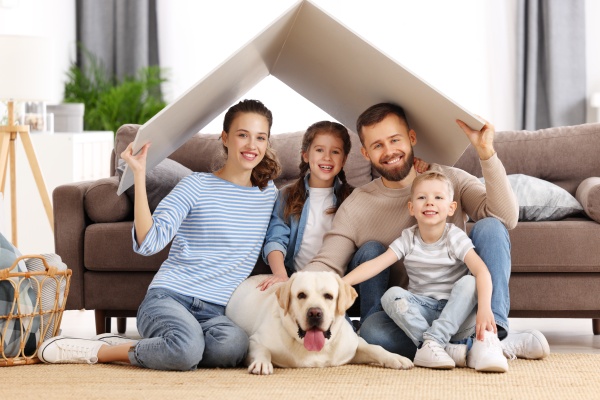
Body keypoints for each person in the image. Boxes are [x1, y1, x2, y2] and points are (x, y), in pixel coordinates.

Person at [302, 102, 550, 370]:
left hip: (459, 304)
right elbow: (328, 262)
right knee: (372, 330)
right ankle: (467, 349)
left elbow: (506, 217)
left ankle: (491, 335)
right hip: (408, 313)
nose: (389, 151)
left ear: (411, 138)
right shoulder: (357, 204)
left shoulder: (448, 181)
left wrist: (486, 153)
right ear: (365, 153)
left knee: (491, 226)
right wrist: (291, 287)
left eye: (395, 140)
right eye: (377, 145)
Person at [38, 99, 282, 370]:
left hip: (216, 311)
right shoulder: (196, 185)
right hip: (169, 297)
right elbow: (149, 241)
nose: (252, 145)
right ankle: (102, 350)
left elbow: (281, 234)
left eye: (260, 137)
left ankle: (177, 345)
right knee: (186, 351)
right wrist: (139, 175)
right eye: (242, 135)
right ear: (225, 138)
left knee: (233, 348)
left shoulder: (268, 194)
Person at [343, 171, 507, 371]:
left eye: (438, 197)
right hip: (419, 313)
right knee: (375, 323)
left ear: (451, 207)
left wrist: (484, 310)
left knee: (469, 283)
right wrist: (341, 283)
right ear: (411, 208)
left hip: (456, 313)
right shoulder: (408, 238)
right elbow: (376, 264)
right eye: (422, 197)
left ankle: (434, 343)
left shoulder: (454, 236)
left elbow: (482, 272)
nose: (430, 202)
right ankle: (451, 348)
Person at [257, 121, 354, 291]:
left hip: (338, 283)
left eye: (335, 152)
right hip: (300, 280)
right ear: (305, 155)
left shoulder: (353, 198)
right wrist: (280, 275)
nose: (327, 157)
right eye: (319, 150)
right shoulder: (286, 195)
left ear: (344, 159)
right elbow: (275, 240)